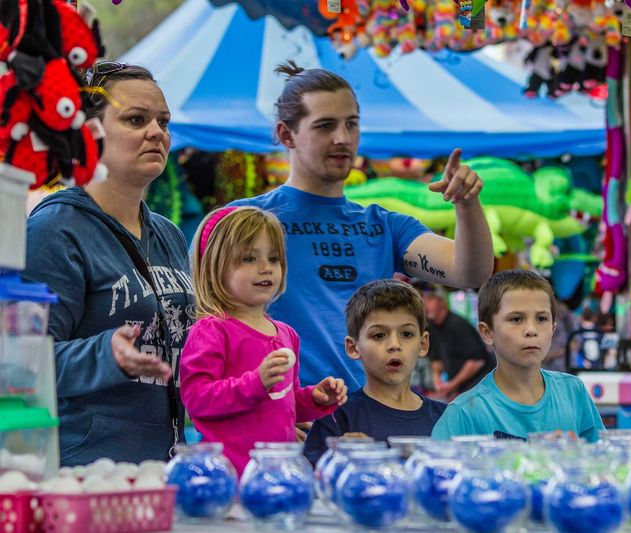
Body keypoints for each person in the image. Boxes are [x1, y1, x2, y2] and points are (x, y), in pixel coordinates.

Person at [229, 61, 493, 392]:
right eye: (325, 126)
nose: (343, 138)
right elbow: (208, 324)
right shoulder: (241, 220)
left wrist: (468, 205)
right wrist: (266, 408)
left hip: (367, 426)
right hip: (281, 426)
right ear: (286, 134)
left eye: (351, 124)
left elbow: (470, 273)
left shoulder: (382, 225)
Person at [23, 63, 194, 465]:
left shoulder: (169, 234)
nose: (157, 132)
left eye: (163, 121)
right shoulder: (54, 230)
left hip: (164, 471)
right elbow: (21, 362)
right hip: (87, 474)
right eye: (136, 119)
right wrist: (105, 353)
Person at [179, 206, 348, 476]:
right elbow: (197, 400)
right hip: (229, 476)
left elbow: (282, 399)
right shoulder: (211, 331)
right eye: (249, 258)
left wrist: (314, 399)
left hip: (276, 474)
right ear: (215, 267)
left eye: (273, 258)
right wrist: (255, 382)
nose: (265, 268)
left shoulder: (286, 334)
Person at [432, 270, 605, 442]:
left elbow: (602, 461)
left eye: (542, 318)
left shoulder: (573, 392)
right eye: (516, 319)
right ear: (487, 333)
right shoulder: (464, 413)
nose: (531, 330)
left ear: (553, 329)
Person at [303, 279, 447, 466]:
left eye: (407, 334)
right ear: (353, 347)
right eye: (379, 335)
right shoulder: (337, 418)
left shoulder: (446, 418)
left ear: (423, 343)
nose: (394, 345)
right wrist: (339, 458)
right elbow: (313, 483)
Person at [416, 282, 493, 400]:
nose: (425, 304)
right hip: (460, 388)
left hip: (480, 386)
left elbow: (477, 361)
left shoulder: (458, 324)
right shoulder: (432, 327)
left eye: (430, 299)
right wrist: (437, 379)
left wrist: (453, 385)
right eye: (423, 300)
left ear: (442, 302)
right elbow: (436, 360)